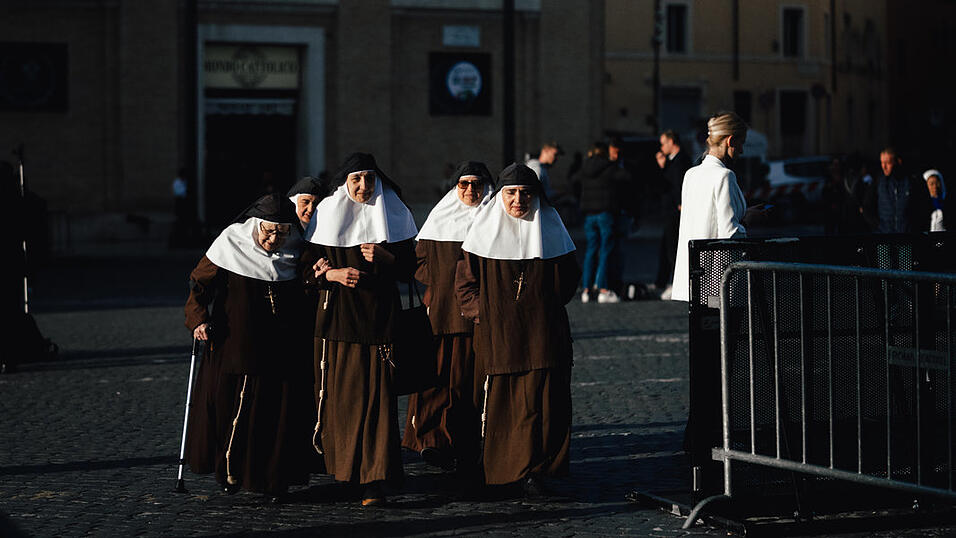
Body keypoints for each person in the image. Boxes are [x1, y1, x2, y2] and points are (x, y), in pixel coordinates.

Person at [456, 163, 580, 497]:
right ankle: (502, 470)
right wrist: (488, 314)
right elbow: (465, 285)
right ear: (500, 196)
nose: (518, 200)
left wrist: (541, 308)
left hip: (542, 335)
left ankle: (535, 471)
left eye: (526, 193)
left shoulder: (551, 230)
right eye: (510, 193)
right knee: (503, 406)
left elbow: (568, 281)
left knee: (541, 406)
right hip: (499, 337)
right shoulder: (482, 235)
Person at [183, 193, 316, 502]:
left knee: (277, 413)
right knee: (235, 408)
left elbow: (308, 284)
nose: (274, 239)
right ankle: (230, 470)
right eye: (268, 231)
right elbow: (199, 285)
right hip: (238, 344)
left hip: (282, 345)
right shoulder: (231, 243)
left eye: (282, 233)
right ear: (255, 225)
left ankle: (273, 479)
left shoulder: (295, 250)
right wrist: (198, 319)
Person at [302, 152, 418, 506]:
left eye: (369, 178)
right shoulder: (326, 214)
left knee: (378, 403)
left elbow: (411, 270)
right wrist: (332, 275)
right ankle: (346, 472)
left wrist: (386, 259)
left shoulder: (393, 212)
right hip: (338, 323)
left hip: (380, 322)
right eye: (356, 179)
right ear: (345, 183)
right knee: (343, 401)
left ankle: (374, 479)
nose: (364, 186)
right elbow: (304, 269)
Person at [402, 160, 493, 481]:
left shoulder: (493, 221)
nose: (470, 190)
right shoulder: (439, 221)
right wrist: (442, 283)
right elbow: (419, 264)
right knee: (436, 381)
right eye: (464, 184)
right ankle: (433, 441)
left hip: (478, 320)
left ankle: (467, 446)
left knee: (469, 386)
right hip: (441, 315)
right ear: (455, 187)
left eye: (477, 184)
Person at [670, 112, 764, 302]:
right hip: (718, 283)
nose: (742, 151)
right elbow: (729, 235)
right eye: (741, 143)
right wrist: (747, 220)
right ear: (730, 141)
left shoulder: (691, 175)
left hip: (693, 279)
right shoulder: (724, 176)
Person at [574, 143, 629, 303]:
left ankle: (586, 289)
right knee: (605, 251)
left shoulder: (584, 168)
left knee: (590, 251)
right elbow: (627, 178)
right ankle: (603, 289)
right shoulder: (610, 167)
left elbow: (573, 180)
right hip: (606, 213)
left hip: (589, 214)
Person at [653, 130, 692, 300]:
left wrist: (681, 203)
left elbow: (678, 184)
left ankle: (676, 284)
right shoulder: (671, 161)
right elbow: (663, 185)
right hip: (670, 209)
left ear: (671, 142)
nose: (661, 147)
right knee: (666, 247)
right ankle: (662, 282)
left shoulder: (682, 160)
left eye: (663, 143)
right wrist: (662, 167)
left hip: (676, 209)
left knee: (673, 248)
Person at [863, 147, 931, 233]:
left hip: (907, 235)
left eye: (888, 163)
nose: (884, 166)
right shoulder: (878, 181)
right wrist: (878, 226)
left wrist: (915, 227)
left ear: (898, 162)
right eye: (882, 163)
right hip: (883, 235)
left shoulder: (912, 181)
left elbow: (924, 206)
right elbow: (867, 207)